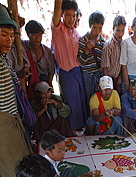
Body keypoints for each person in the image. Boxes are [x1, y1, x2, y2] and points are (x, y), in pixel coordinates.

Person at [0, 4, 31, 177]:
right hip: (3, 125)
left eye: (12, 36)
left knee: (21, 162)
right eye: (3, 35)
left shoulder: (3, 58)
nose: (9, 40)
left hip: (12, 119)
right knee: (13, 168)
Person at [51, 0, 87, 132]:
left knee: (80, 101)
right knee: (71, 103)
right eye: (68, 15)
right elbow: (56, 7)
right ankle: (71, 130)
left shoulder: (76, 33)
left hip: (77, 71)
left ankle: (81, 130)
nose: (71, 19)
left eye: (74, 15)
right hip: (66, 72)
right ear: (62, 14)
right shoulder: (57, 29)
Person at [78, 11, 105, 112]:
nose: (97, 31)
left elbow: (103, 61)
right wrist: (86, 50)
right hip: (87, 75)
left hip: (98, 74)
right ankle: (90, 122)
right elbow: (81, 62)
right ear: (89, 26)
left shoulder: (103, 42)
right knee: (89, 99)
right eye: (94, 27)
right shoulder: (82, 40)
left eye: (99, 28)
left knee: (99, 99)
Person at [23, 20, 55, 99]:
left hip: (44, 83)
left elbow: (51, 71)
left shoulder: (47, 51)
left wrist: (48, 87)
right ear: (28, 34)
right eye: (34, 35)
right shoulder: (24, 47)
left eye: (40, 35)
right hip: (29, 83)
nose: (37, 38)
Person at [101, 15, 126, 95]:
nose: (120, 33)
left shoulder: (123, 44)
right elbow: (105, 67)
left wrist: (119, 75)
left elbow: (121, 63)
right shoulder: (108, 45)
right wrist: (107, 84)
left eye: (122, 30)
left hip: (117, 79)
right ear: (113, 29)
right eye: (118, 30)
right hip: (109, 79)